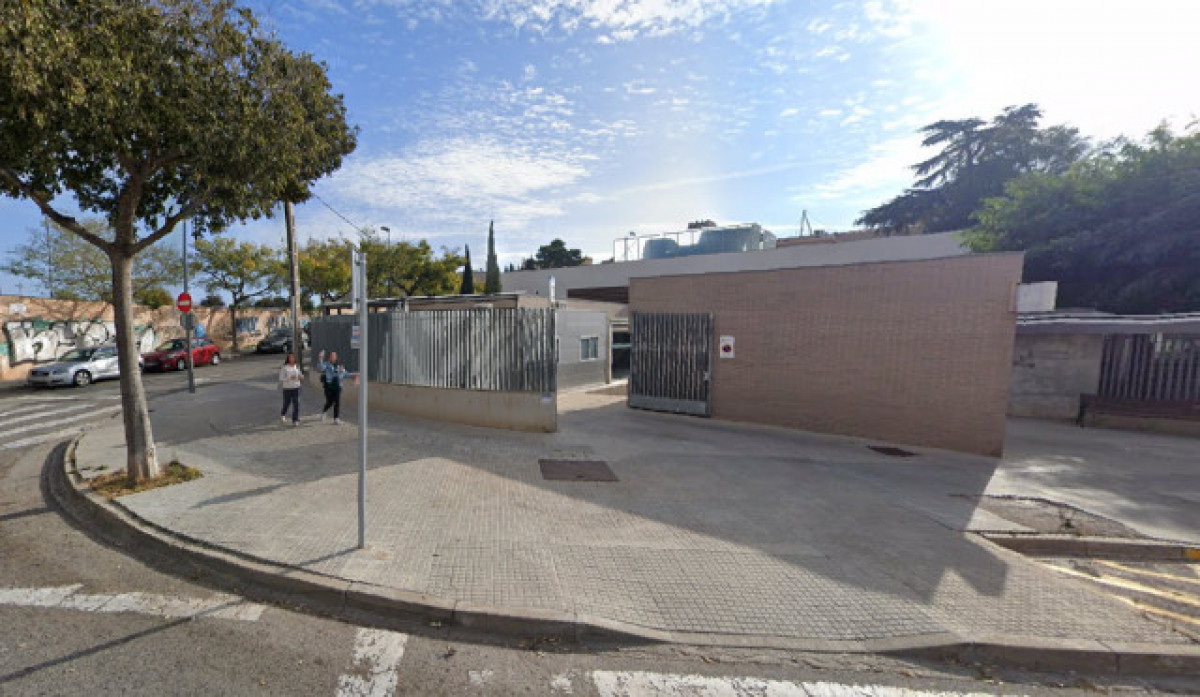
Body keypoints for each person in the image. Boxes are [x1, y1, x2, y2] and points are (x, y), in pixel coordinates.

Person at [317, 349, 347, 424]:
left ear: (336, 357)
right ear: (329, 357)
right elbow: (321, 368)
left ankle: (336, 418)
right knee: (330, 401)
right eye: (331, 356)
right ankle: (324, 412)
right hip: (328, 386)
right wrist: (320, 359)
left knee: (337, 402)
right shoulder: (326, 364)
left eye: (334, 355)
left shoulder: (339, 365)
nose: (333, 357)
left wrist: (353, 374)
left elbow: (345, 373)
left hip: (337, 386)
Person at [278, 352, 303, 426]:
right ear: (288, 359)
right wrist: (289, 378)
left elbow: (300, 375)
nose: (291, 359)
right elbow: (281, 378)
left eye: (293, 357)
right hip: (287, 388)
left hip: (296, 387)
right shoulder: (284, 367)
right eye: (290, 357)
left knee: (296, 404)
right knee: (287, 403)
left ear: (295, 358)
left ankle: (295, 420)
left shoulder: (297, 366)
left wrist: (301, 377)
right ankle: (283, 414)